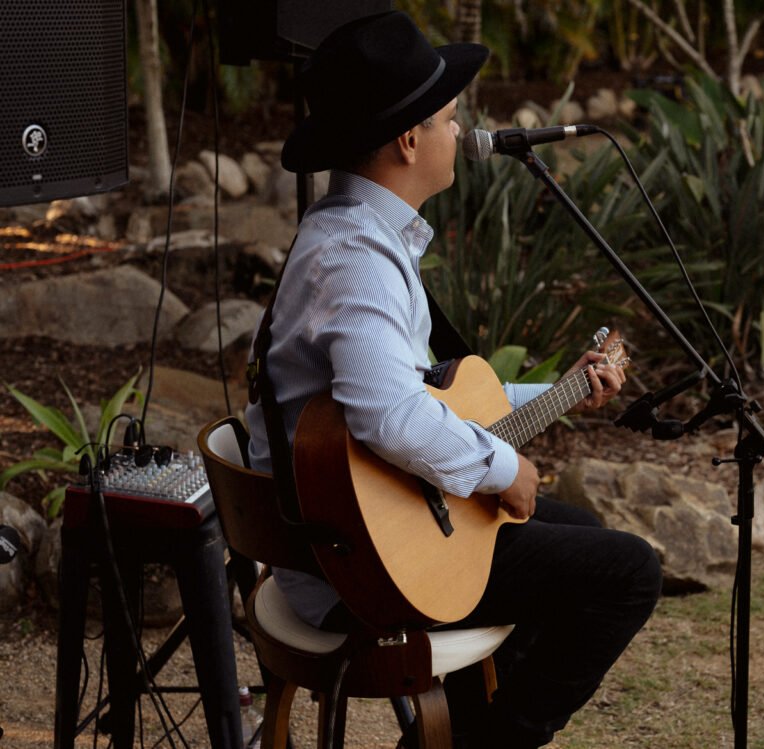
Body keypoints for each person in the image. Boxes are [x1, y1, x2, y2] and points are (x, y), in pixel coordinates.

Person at [244, 11, 661, 749]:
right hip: (355, 563)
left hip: (359, 527)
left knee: (584, 535)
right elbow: (390, 417)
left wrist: (562, 392)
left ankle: (459, 733)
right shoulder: (357, 260)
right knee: (628, 572)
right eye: (448, 117)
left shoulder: (359, 233)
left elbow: (425, 396)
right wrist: (505, 467)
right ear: (409, 141)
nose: (460, 130)